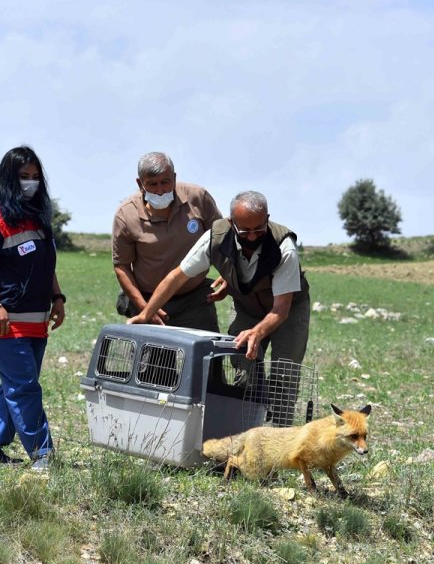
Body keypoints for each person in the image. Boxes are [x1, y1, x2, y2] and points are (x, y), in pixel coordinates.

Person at [129, 190, 310, 424]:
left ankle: (280, 434)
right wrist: (146, 313)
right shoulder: (215, 237)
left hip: (289, 309)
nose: (253, 237)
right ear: (231, 223)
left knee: (285, 371)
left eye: (259, 229)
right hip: (247, 307)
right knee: (243, 364)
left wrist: (257, 332)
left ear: (267, 218)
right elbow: (177, 277)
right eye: (245, 231)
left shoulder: (283, 246)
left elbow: (281, 309)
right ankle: (244, 429)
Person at [0, 146, 65, 472]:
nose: (31, 183)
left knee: (16, 383)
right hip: (0, 320)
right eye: (24, 177)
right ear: (9, 178)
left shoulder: (36, 215)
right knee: (24, 385)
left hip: (34, 317)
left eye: (36, 177)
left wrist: (58, 297)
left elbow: (44, 263)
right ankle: (42, 454)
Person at [112, 152, 225, 331]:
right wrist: (146, 310)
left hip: (194, 299)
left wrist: (228, 274)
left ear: (174, 177)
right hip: (148, 298)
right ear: (140, 184)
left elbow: (222, 238)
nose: (160, 190)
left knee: (204, 355)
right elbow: (122, 266)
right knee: (153, 358)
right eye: (152, 184)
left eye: (165, 182)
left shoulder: (198, 198)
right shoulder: (126, 214)